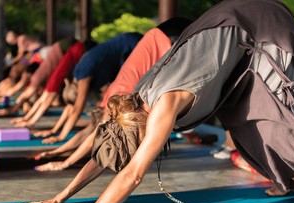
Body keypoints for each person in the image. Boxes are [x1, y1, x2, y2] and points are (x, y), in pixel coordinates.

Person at [15, 0, 294, 203]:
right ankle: (287, 179)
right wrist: (60, 196)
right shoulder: (131, 102)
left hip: (261, 26)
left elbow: (133, 175)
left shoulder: (161, 106)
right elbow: (105, 152)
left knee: (277, 116)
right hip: (234, 30)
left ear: (142, 127)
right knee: (244, 121)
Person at [32, 17, 193, 171]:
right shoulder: (110, 99)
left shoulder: (118, 97)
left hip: (169, 37)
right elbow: (89, 131)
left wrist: (65, 162)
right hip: (161, 33)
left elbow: (92, 135)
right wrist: (58, 151)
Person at [12, 32, 143, 146]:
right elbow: (71, 107)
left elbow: (77, 109)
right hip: (123, 51)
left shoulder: (83, 74)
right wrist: (54, 130)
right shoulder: (79, 76)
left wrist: (61, 136)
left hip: (132, 44)